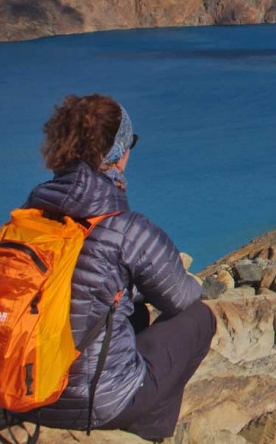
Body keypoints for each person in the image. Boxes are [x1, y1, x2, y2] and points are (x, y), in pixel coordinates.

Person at [21, 94, 216, 441]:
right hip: (91, 401)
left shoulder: (29, 216)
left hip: (19, 389)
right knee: (199, 318)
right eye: (130, 143)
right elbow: (179, 298)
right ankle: (149, 434)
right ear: (117, 152)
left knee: (132, 313)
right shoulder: (124, 228)